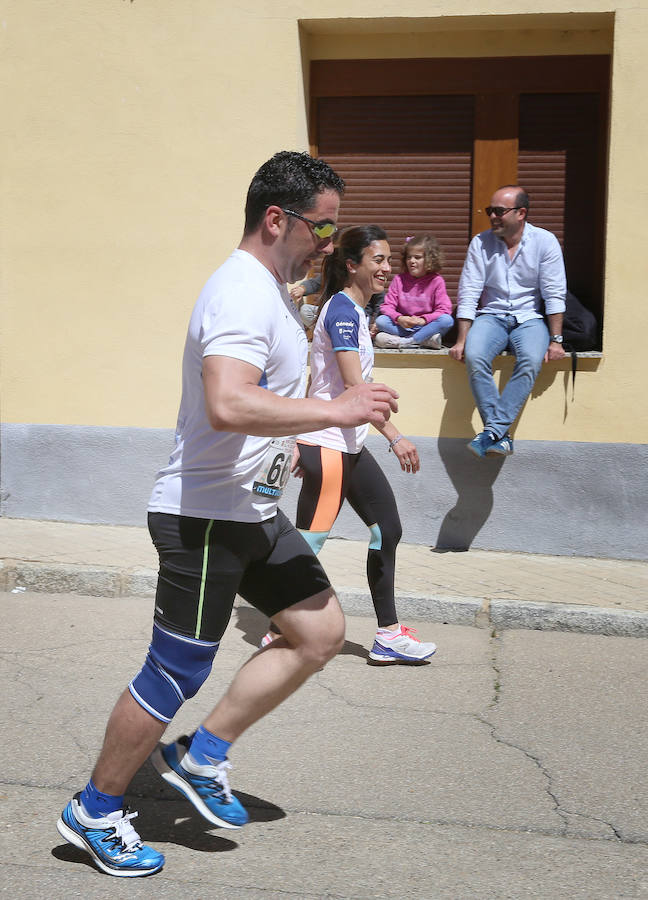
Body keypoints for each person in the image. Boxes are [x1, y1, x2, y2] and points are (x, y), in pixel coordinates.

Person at [56, 151, 400, 878]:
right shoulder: (241, 291)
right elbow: (229, 401)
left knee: (321, 630)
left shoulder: (274, 290)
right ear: (277, 219)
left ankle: (201, 753)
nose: (330, 242)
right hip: (204, 515)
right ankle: (95, 809)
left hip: (252, 510)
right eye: (323, 226)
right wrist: (333, 408)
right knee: (173, 672)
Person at [261, 225, 437, 665]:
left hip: (348, 444)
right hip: (328, 445)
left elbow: (348, 388)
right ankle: (278, 628)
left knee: (387, 530)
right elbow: (357, 390)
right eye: (377, 260)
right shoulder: (341, 312)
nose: (386, 269)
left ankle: (388, 636)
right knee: (310, 543)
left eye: (388, 260)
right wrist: (395, 437)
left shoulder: (357, 314)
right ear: (353, 264)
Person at [449, 185, 566, 457]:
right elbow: (469, 292)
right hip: (491, 316)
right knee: (475, 356)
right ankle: (499, 434)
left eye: (499, 211)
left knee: (531, 360)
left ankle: (491, 431)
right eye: (491, 211)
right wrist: (462, 339)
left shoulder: (544, 242)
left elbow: (554, 293)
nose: (492, 217)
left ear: (521, 213)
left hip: (530, 318)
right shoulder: (481, 242)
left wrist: (556, 340)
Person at [374, 233, 454, 349]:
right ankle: (424, 340)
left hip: (425, 326)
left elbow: (444, 309)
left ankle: (408, 341)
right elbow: (387, 306)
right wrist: (399, 318)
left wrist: (423, 320)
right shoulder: (399, 280)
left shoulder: (436, 281)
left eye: (417, 257)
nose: (411, 261)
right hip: (403, 326)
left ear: (429, 259)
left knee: (447, 320)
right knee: (381, 320)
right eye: (408, 257)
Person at [290, 273, 384, 334]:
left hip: (359, 317)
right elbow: (315, 283)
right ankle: (328, 334)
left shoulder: (367, 275)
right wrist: (302, 289)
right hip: (332, 316)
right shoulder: (335, 273)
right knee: (305, 310)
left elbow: (379, 302)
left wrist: (374, 322)